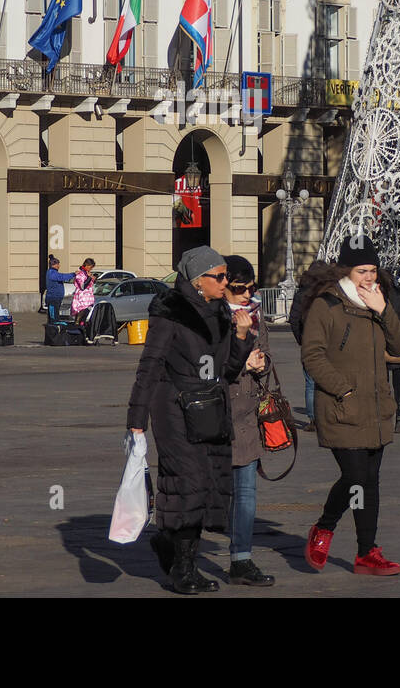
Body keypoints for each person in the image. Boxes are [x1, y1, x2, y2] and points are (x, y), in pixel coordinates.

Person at [127, 246, 257, 595]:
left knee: (205, 488)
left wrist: (242, 339)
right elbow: (150, 366)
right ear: (199, 281)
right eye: (219, 277)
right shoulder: (172, 314)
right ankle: (182, 569)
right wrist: (136, 419)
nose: (225, 282)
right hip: (173, 411)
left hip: (211, 411)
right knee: (190, 484)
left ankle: (173, 550)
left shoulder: (221, 315)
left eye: (226, 276)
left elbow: (226, 370)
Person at [300, 236, 400, 577]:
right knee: (355, 476)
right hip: (341, 408)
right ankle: (324, 527)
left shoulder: (378, 301)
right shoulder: (327, 305)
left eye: (373, 270)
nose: (369, 277)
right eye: (362, 270)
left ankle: (366, 552)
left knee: (369, 482)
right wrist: (343, 390)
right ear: (346, 269)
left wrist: (383, 310)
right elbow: (312, 355)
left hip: (376, 409)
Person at [222, 256, 274, 587]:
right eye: (240, 289)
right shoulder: (210, 318)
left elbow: (267, 356)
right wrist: (243, 360)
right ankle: (180, 554)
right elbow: (211, 367)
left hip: (246, 417)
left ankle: (241, 559)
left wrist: (261, 362)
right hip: (216, 414)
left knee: (246, 493)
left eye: (252, 288)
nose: (247, 295)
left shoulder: (256, 316)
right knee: (207, 493)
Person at [289, 261, 338, 431]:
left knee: (310, 383)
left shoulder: (301, 294)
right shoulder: (329, 292)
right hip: (329, 343)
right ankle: (329, 416)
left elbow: (294, 319)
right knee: (329, 378)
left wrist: (301, 339)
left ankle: (313, 420)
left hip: (308, 344)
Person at [379, 269, 400, 433]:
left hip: (382, 346)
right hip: (399, 345)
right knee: (399, 385)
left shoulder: (378, 299)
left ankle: (384, 416)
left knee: (382, 384)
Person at [43, 255, 72, 323]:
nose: (59, 266)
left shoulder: (53, 272)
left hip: (56, 298)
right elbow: (62, 277)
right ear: (54, 265)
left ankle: (54, 329)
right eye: (58, 264)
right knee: (53, 318)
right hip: (53, 298)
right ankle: (52, 330)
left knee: (55, 316)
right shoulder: (51, 273)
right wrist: (73, 274)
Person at [71, 258, 97, 327]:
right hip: (82, 298)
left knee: (85, 316)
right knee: (81, 314)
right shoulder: (80, 274)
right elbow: (82, 286)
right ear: (87, 265)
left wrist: (94, 279)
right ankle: (78, 327)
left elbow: (90, 284)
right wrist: (89, 278)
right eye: (91, 267)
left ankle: (82, 329)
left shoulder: (87, 273)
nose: (91, 269)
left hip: (89, 299)